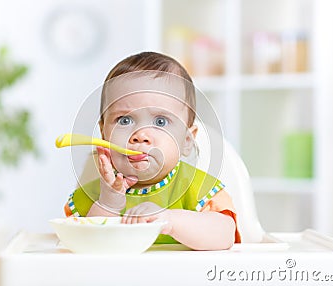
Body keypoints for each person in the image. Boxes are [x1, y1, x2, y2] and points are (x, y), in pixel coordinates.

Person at [64, 51, 241, 250]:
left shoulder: (199, 189)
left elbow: (224, 235)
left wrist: (171, 221)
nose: (140, 135)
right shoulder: (95, 195)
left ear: (186, 141)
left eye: (160, 121)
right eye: (124, 120)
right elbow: (86, 245)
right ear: (104, 134)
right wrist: (109, 203)